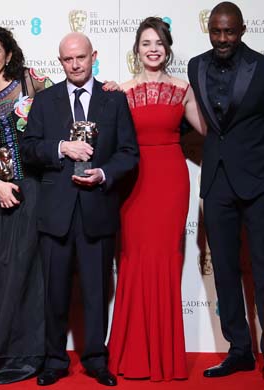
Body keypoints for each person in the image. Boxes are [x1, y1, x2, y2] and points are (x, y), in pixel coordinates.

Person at [20, 32, 139, 387]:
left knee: (95, 292)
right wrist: (61, 148)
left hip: (97, 210)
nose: (74, 65)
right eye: (68, 59)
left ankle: (96, 360)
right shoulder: (45, 101)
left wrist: (104, 173)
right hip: (56, 213)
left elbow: (129, 153)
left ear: (93, 57)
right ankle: (54, 360)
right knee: (54, 293)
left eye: (81, 58)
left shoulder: (113, 100)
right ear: (61, 62)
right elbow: (29, 149)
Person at [107, 17, 207, 381]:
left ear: (167, 50)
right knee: (133, 260)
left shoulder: (184, 89)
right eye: (146, 43)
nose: (153, 49)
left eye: (159, 44)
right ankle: (130, 356)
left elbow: (211, 132)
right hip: (134, 181)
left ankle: (164, 358)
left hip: (170, 179)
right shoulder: (120, 91)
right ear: (137, 49)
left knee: (166, 261)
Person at [0, 24, 52, 384]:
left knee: (29, 274)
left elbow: (69, 107)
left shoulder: (33, 86)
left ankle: (29, 354)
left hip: (34, 191)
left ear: (9, 55)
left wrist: (109, 87)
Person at [188, 2, 264, 379]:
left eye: (229, 32)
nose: (222, 39)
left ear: (242, 30)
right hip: (216, 183)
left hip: (258, 181)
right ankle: (239, 350)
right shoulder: (195, 66)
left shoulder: (262, 67)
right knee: (225, 271)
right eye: (216, 31)